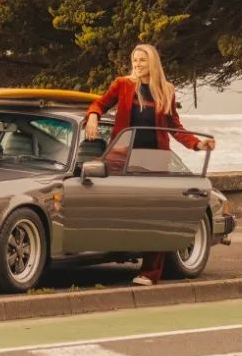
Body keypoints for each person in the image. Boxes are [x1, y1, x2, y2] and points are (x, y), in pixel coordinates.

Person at [85, 44, 215, 287]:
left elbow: (175, 126)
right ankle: (100, 246)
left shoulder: (166, 90)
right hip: (122, 154)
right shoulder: (122, 84)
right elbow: (100, 104)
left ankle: (150, 272)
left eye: (142, 60)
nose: (137, 64)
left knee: (155, 212)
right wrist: (93, 116)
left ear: (152, 63)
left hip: (154, 158)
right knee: (91, 176)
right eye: (134, 60)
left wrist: (198, 144)